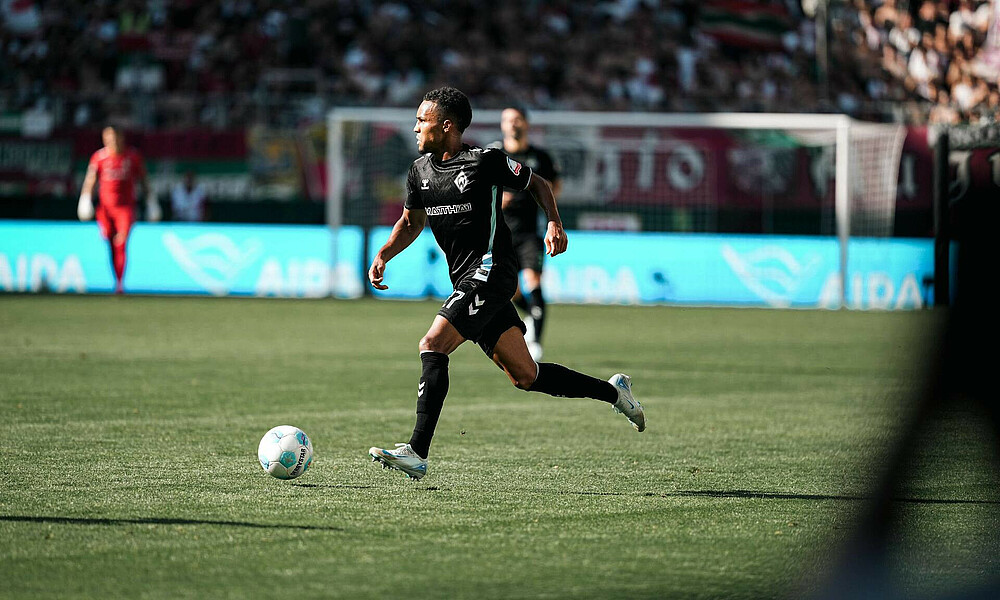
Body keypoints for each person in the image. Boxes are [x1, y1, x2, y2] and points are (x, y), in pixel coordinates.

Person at [367, 87, 644, 480]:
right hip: (464, 278)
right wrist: (383, 255)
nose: (414, 127)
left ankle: (416, 451)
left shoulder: (485, 162)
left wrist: (553, 221)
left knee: (432, 343)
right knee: (526, 376)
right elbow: (411, 222)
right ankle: (615, 393)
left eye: (421, 120)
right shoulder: (419, 171)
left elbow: (539, 184)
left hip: (491, 271)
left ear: (446, 126)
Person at [490, 105, 561, 361]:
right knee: (510, 290)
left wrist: (546, 207)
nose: (512, 124)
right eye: (507, 119)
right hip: (500, 233)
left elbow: (554, 187)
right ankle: (532, 314)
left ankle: (536, 343)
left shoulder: (539, 157)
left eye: (517, 119)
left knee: (534, 282)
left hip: (530, 233)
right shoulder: (493, 153)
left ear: (526, 124)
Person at [77, 126, 161, 294]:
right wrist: (85, 199)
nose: (112, 141)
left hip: (125, 209)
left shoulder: (132, 156)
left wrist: (151, 201)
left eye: (114, 137)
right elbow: (90, 180)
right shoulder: (99, 158)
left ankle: (120, 284)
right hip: (105, 209)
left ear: (121, 138)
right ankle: (116, 279)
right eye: (108, 138)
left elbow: (144, 180)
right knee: (109, 243)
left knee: (121, 243)